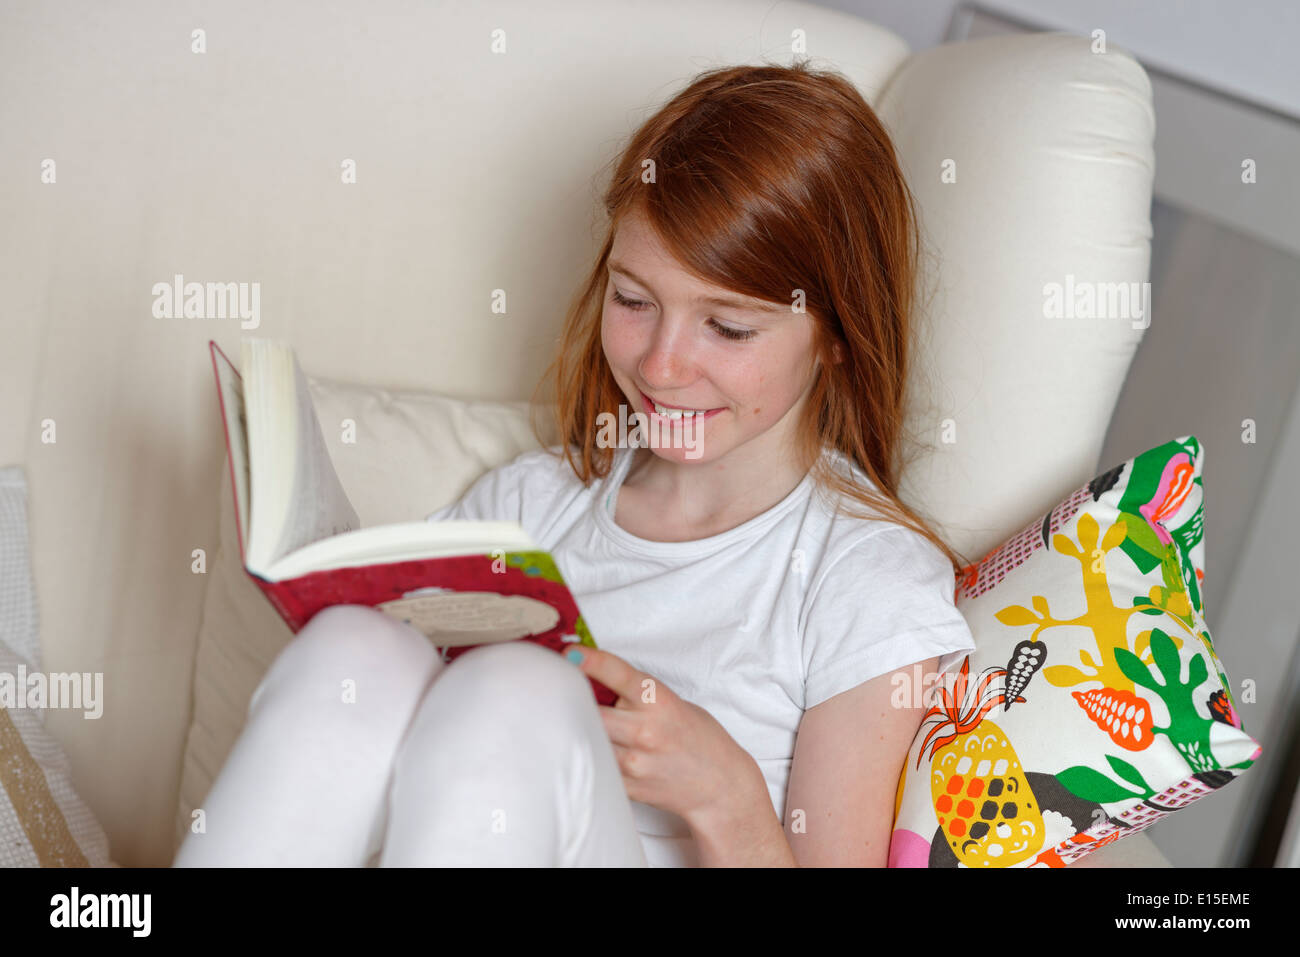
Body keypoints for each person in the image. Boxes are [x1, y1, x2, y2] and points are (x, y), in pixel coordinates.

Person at [173, 60, 976, 869]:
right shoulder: (533, 503)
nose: (661, 365)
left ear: (837, 334)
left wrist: (724, 795)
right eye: (633, 301)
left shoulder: (863, 579)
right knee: (356, 647)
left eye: (728, 328)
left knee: (518, 689)